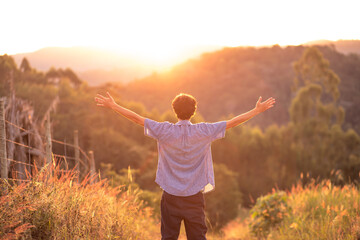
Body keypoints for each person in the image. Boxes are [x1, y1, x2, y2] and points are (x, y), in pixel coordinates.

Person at [95, 92, 275, 240]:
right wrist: (256, 111)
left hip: (170, 196)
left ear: (174, 111)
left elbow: (137, 118)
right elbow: (233, 122)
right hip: (194, 198)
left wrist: (114, 106)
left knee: (168, 237)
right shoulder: (204, 131)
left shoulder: (164, 130)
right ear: (194, 111)